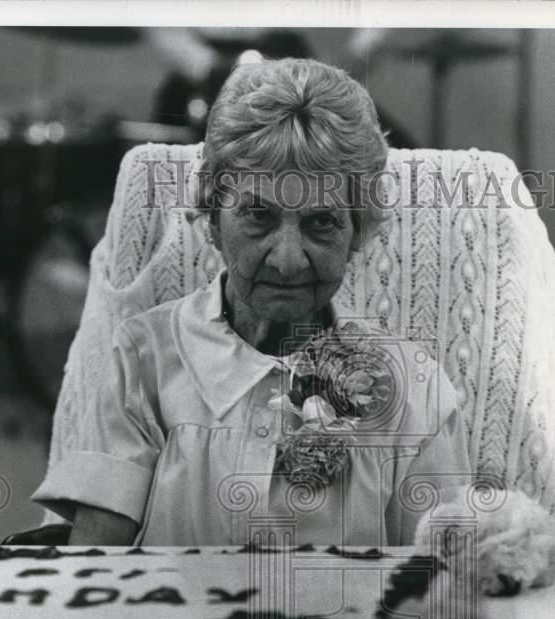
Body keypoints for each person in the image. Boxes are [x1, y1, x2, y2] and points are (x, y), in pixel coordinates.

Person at [32, 58, 470, 546]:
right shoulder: (144, 360)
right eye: (258, 216)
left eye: (321, 223)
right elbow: (95, 567)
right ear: (213, 220)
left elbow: (444, 577)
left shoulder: (415, 394)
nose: (287, 261)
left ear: (357, 232)